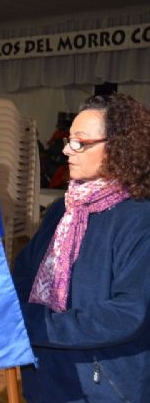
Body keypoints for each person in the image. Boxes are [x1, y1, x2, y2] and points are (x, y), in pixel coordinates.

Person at [13, 93, 150, 402]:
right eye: (68, 140)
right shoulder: (64, 209)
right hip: (46, 375)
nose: (66, 150)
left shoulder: (139, 218)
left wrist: (40, 326)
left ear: (119, 147)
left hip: (104, 386)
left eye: (80, 142)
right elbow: (24, 273)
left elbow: (128, 313)